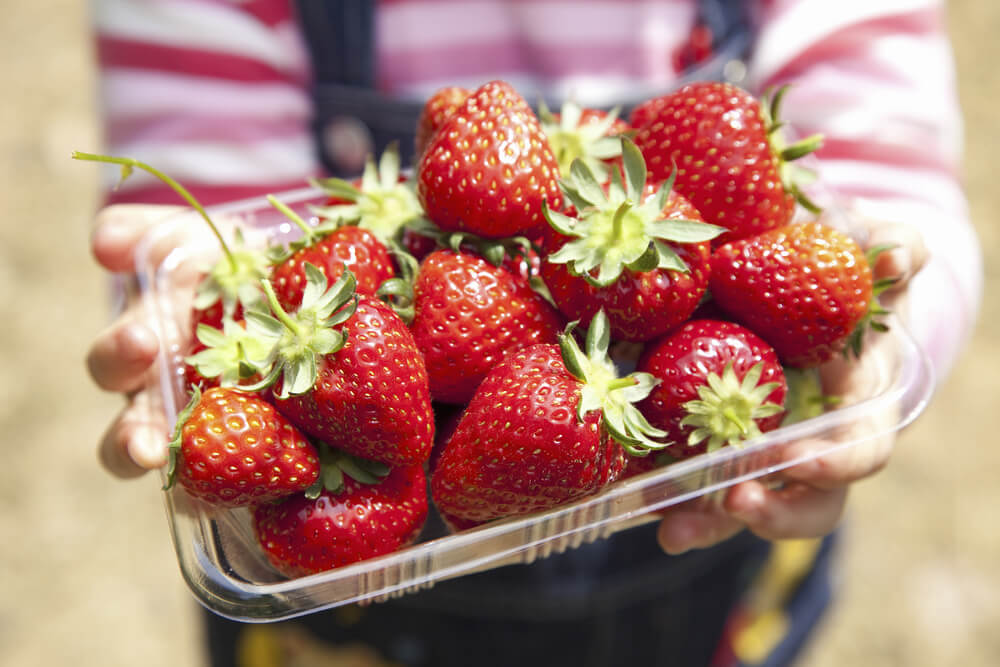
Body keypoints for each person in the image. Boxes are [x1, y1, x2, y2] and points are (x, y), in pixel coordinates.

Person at [85, 1, 981, 665]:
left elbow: (879, 159)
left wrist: (884, 331)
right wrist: (196, 279)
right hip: (360, 620)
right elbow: (214, 204)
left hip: (702, 548)